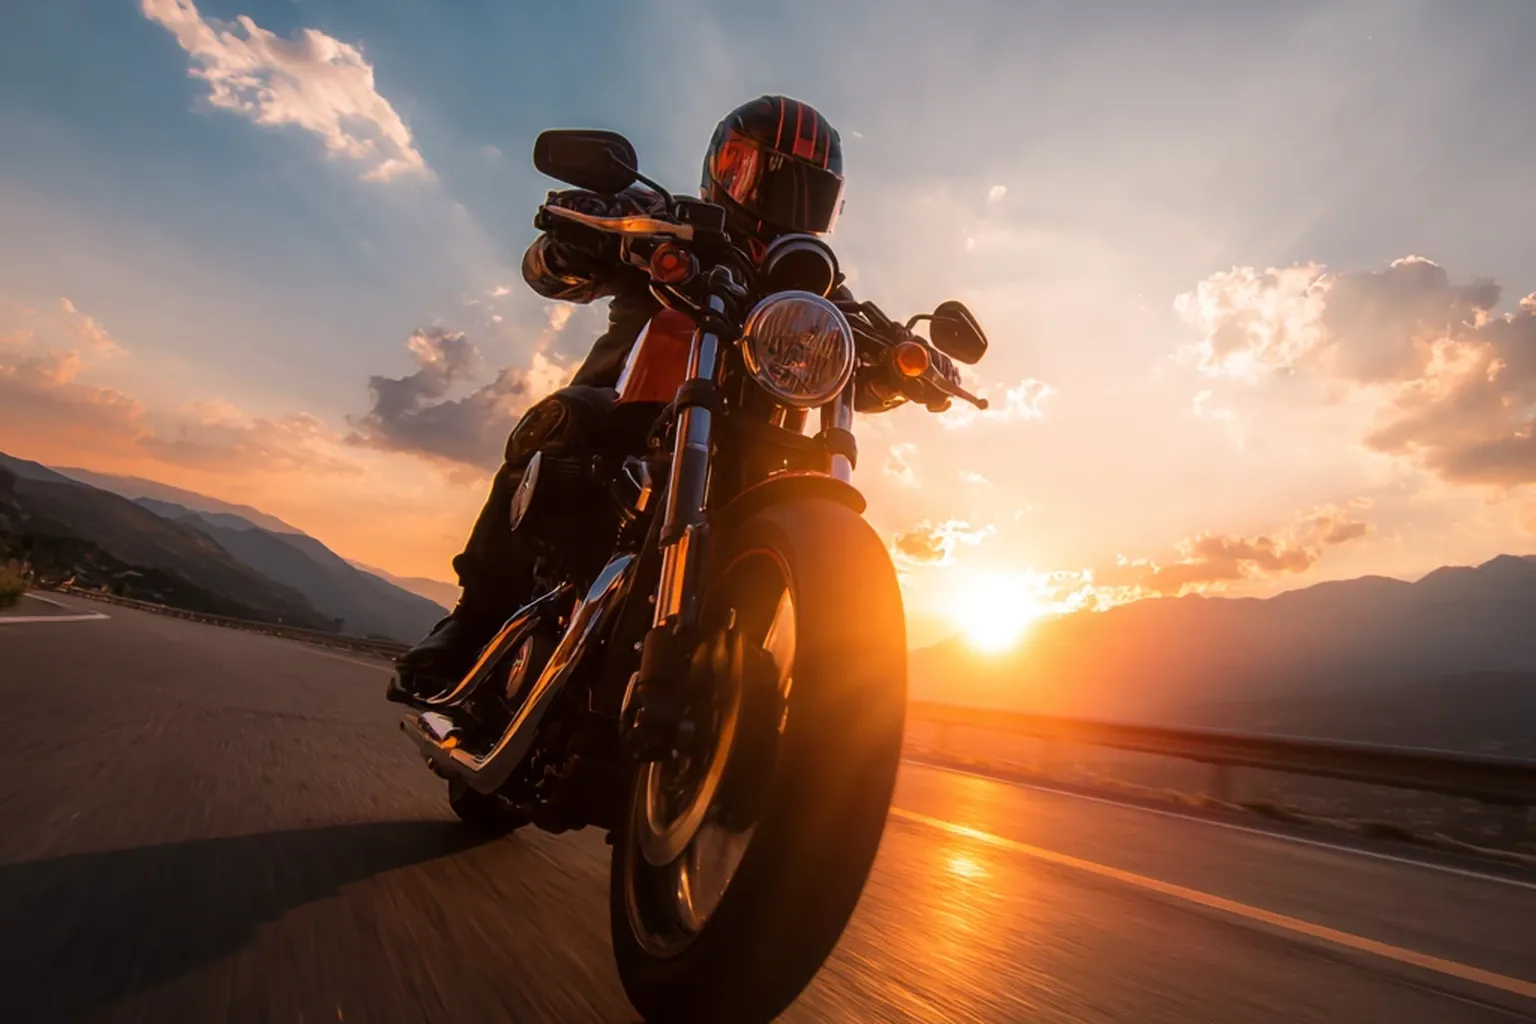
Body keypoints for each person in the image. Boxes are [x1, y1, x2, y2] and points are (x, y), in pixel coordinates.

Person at [390, 96, 852, 698]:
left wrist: (909, 358)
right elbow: (545, 269)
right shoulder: (669, 222)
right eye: (754, 173)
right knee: (567, 421)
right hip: (630, 421)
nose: (776, 202)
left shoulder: (819, 290)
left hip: (754, 450)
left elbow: (868, 361)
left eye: (806, 193)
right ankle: (475, 620)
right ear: (720, 167)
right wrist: (583, 232)